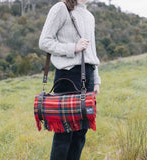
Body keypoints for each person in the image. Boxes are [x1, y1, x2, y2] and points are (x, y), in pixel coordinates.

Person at [38, 0, 101, 159]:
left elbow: (91, 51)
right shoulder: (61, 8)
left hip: (87, 77)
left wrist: (96, 79)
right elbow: (44, 42)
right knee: (65, 132)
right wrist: (72, 47)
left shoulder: (89, 15)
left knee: (81, 131)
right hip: (68, 76)